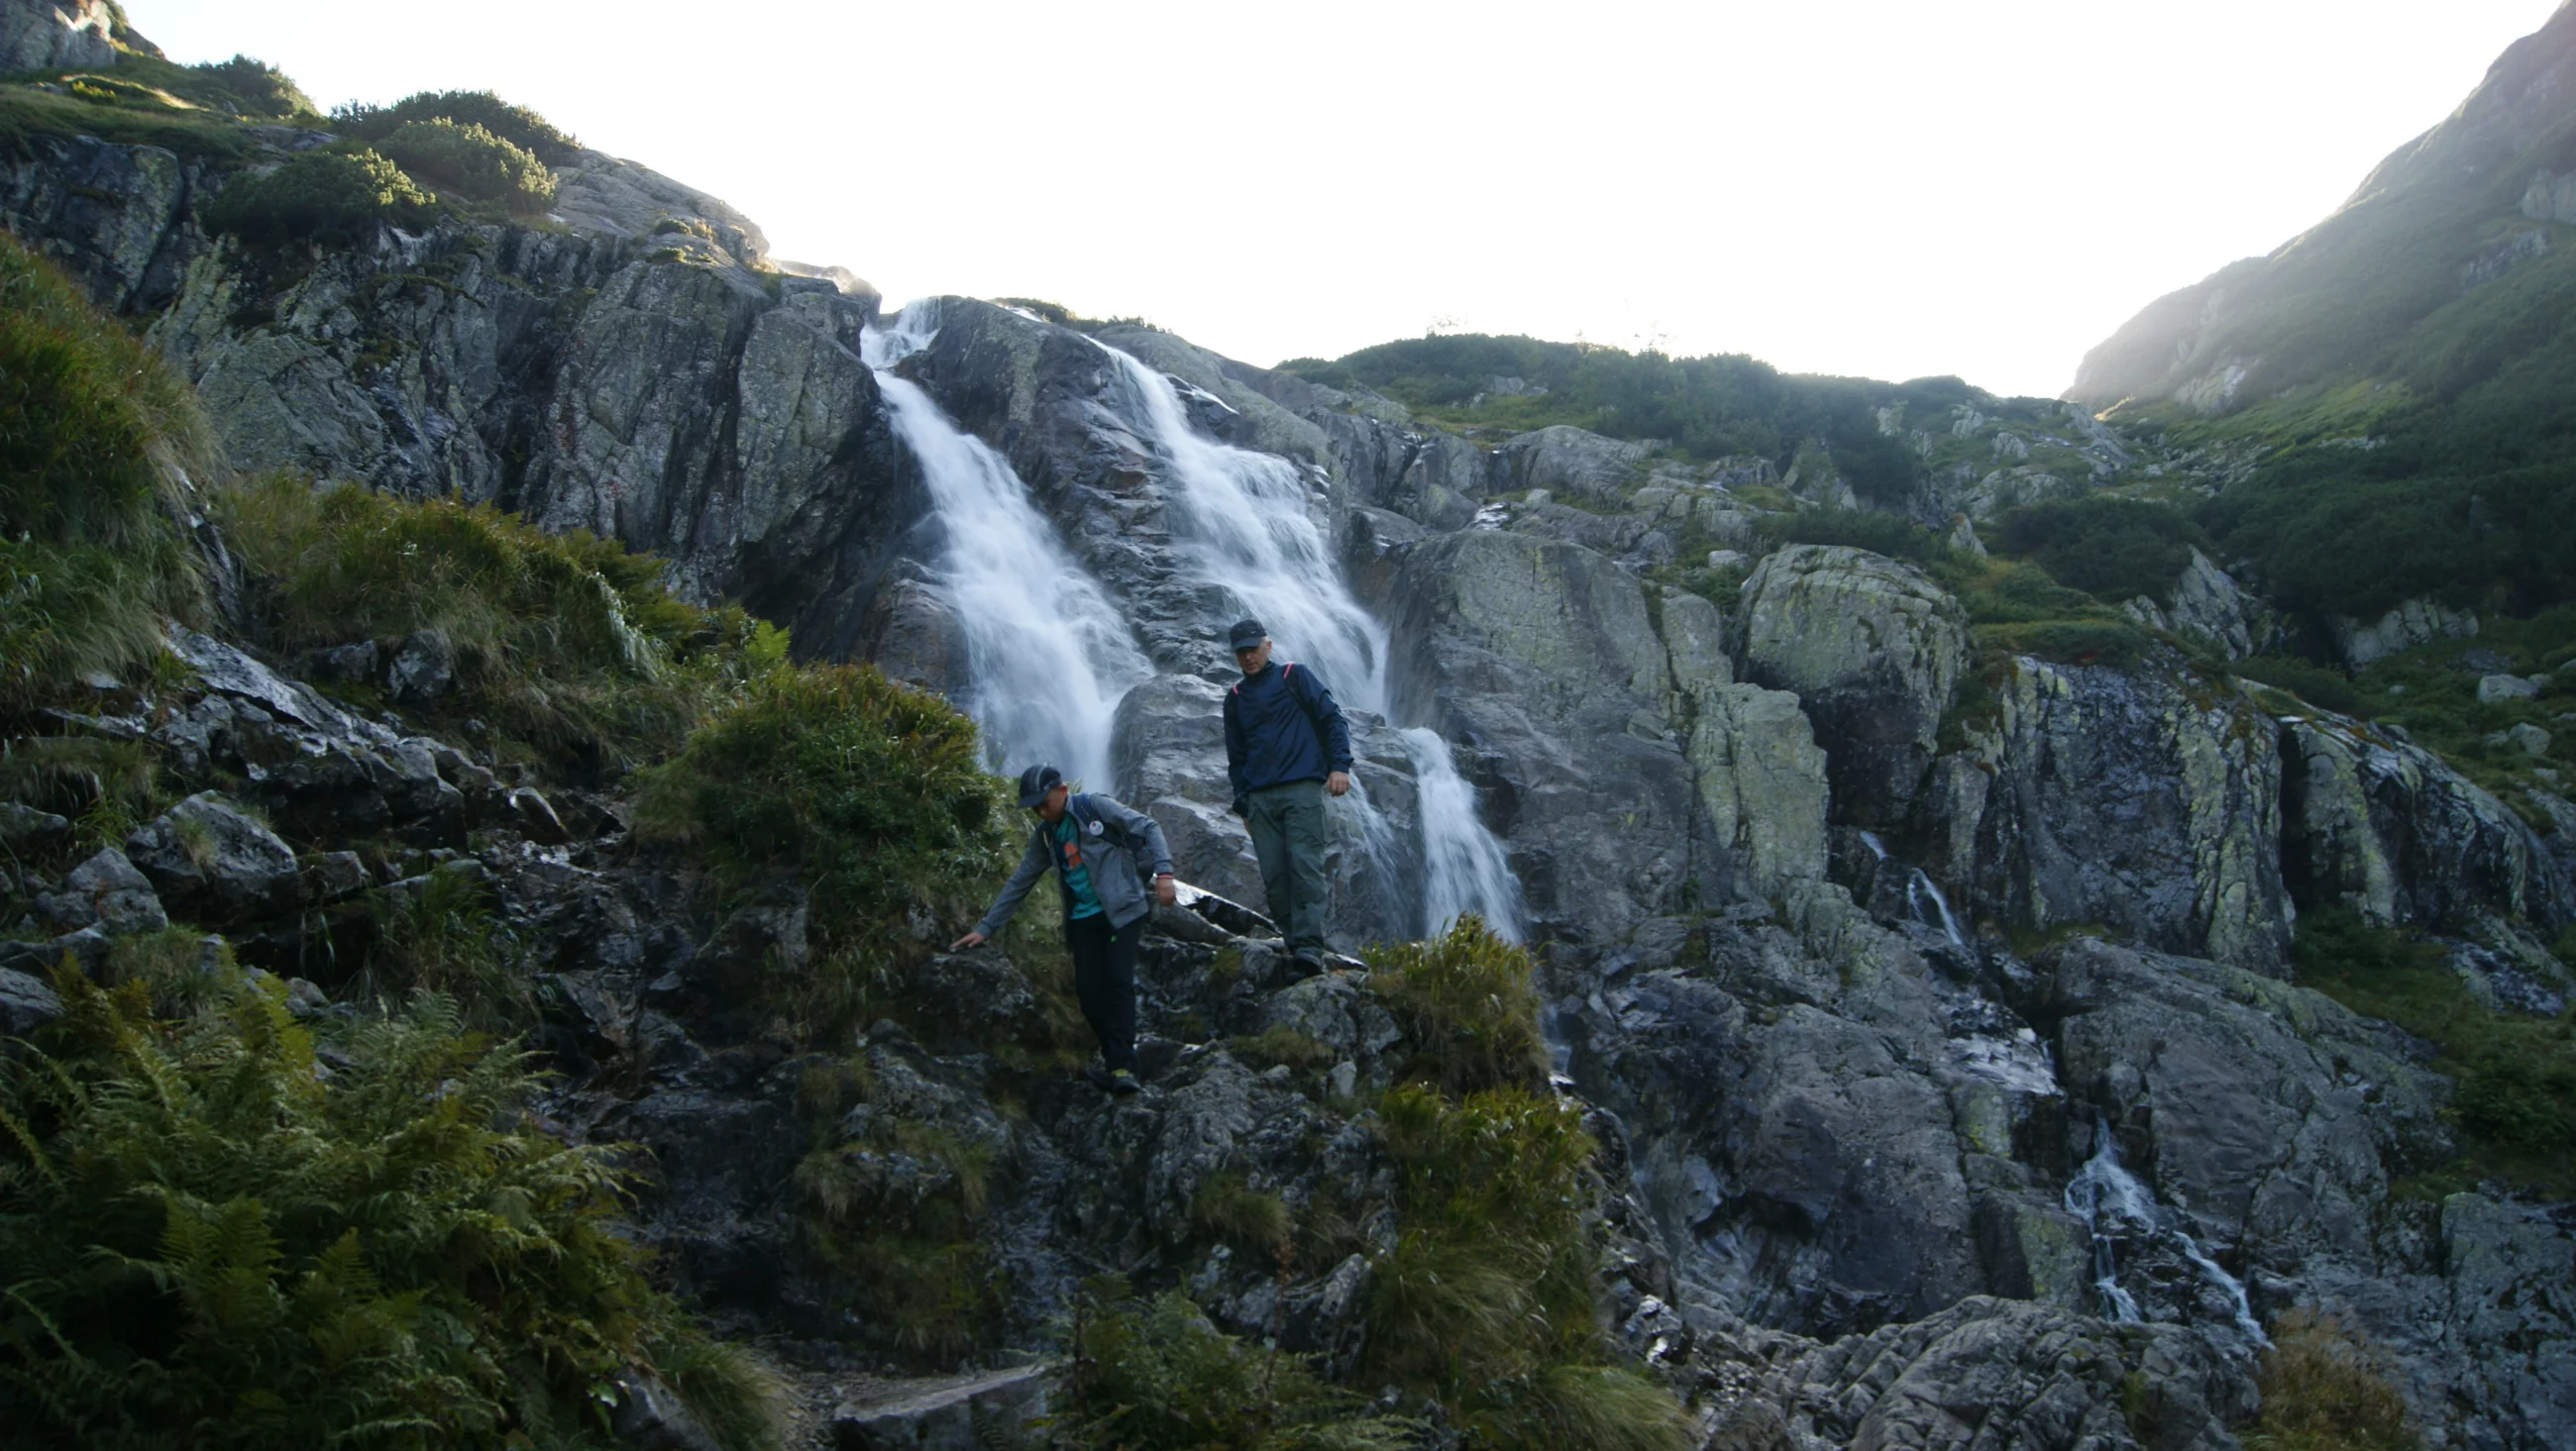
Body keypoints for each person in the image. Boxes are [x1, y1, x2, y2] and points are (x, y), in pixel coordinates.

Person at [951, 764, 1176, 1095]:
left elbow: (1148, 826)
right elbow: (1021, 879)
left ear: (1063, 790)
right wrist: (986, 928)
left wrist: (1165, 874)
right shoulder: (1046, 835)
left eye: (1045, 803)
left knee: (1117, 983)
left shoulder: (1094, 807)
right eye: (1035, 809)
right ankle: (1115, 1059)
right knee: (1088, 993)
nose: (1042, 812)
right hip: (1083, 920)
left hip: (1123, 911)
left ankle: (1123, 1067)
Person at [1220, 618, 1352, 968]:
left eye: (1253, 649)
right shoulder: (1234, 699)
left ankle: (1310, 948)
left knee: (1304, 865)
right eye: (1241, 652)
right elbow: (1237, 758)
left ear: (1268, 645)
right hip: (1260, 800)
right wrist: (1243, 805)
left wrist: (1340, 766)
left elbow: (1332, 719)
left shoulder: (1295, 676)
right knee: (1275, 877)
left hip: (1301, 789)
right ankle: (1295, 946)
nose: (1248, 657)